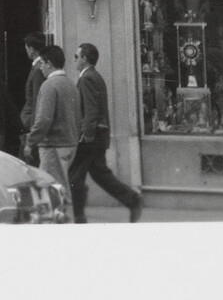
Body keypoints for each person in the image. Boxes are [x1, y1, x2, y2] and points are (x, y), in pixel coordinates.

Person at [70, 43, 143, 222]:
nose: (74, 60)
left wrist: (86, 134)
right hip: (97, 136)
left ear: (84, 59)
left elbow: (91, 109)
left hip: (91, 138)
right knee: (99, 173)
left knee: (74, 175)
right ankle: (132, 200)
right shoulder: (94, 76)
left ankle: (79, 216)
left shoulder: (87, 78)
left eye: (76, 56)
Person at [25, 43, 80, 215]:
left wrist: (30, 141)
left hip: (53, 145)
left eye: (42, 63)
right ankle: (61, 218)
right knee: (60, 186)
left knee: (50, 188)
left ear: (49, 63)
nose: (40, 67)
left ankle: (55, 222)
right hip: (70, 143)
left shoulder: (49, 85)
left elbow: (44, 119)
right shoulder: (71, 84)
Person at [19, 32, 50, 166]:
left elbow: (37, 100)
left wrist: (32, 130)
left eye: (26, 48)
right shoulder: (37, 68)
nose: (26, 51)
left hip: (31, 122)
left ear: (32, 49)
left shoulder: (37, 70)